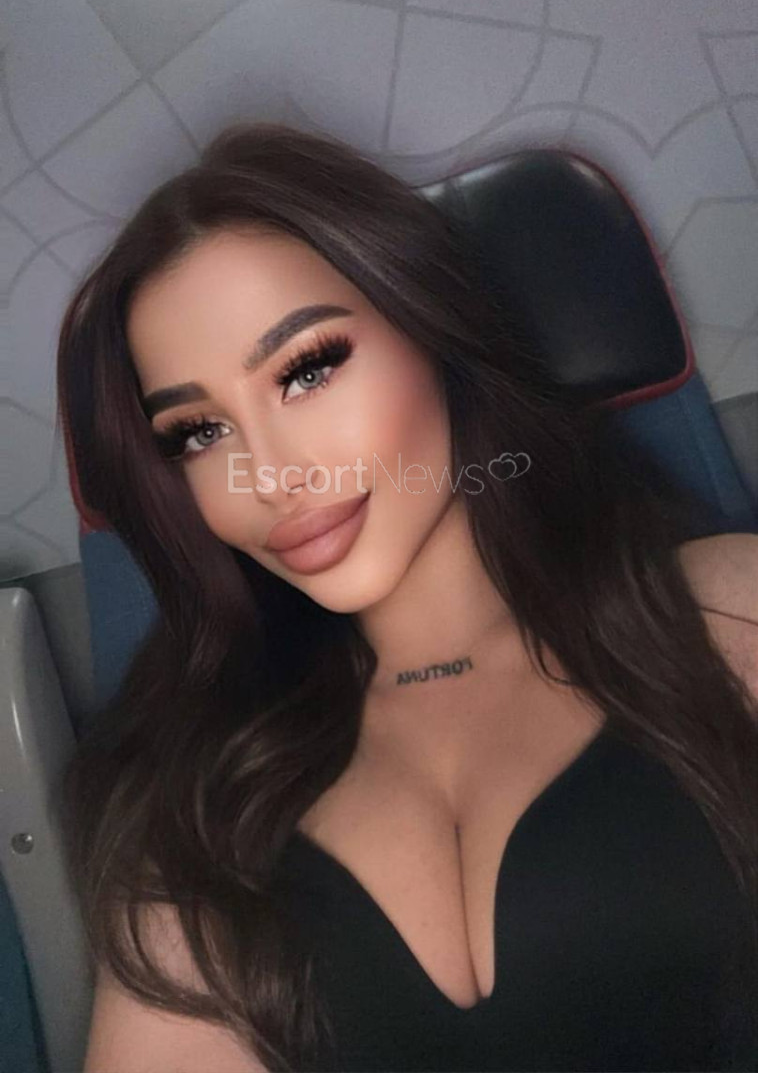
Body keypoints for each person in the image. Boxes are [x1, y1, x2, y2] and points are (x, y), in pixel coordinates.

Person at [56, 121, 758, 1073]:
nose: (271, 475)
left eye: (306, 370)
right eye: (198, 433)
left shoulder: (728, 614)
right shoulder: (195, 795)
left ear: (430, 326)